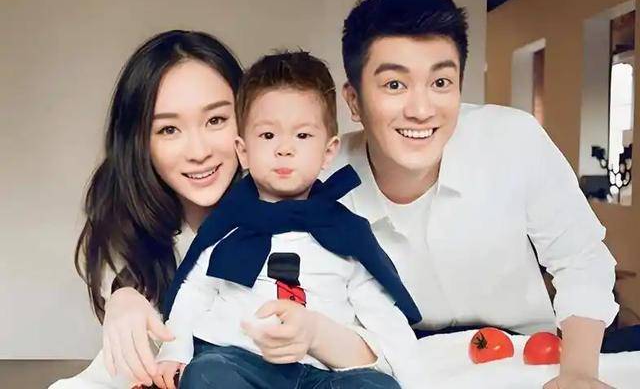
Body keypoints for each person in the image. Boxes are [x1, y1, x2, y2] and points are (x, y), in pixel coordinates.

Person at [330, 0, 619, 388]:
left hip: (525, 357)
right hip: (402, 361)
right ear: (354, 101)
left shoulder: (513, 139)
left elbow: (581, 258)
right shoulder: (324, 177)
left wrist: (578, 373)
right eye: (394, 84)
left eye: (440, 83)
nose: (421, 110)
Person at [154, 50, 419, 389]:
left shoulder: (345, 232)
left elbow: (382, 314)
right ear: (243, 151)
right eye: (268, 136)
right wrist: (173, 350)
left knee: (375, 386)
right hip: (242, 361)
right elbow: (193, 291)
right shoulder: (227, 225)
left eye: (302, 136)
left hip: (323, 372)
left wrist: (412, 376)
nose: (284, 149)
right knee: (206, 374)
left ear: (328, 151)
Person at [51, 30, 244, 388]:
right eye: (169, 129)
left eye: (216, 120)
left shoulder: (291, 218)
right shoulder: (132, 229)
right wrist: (123, 296)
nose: (199, 151)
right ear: (140, 142)